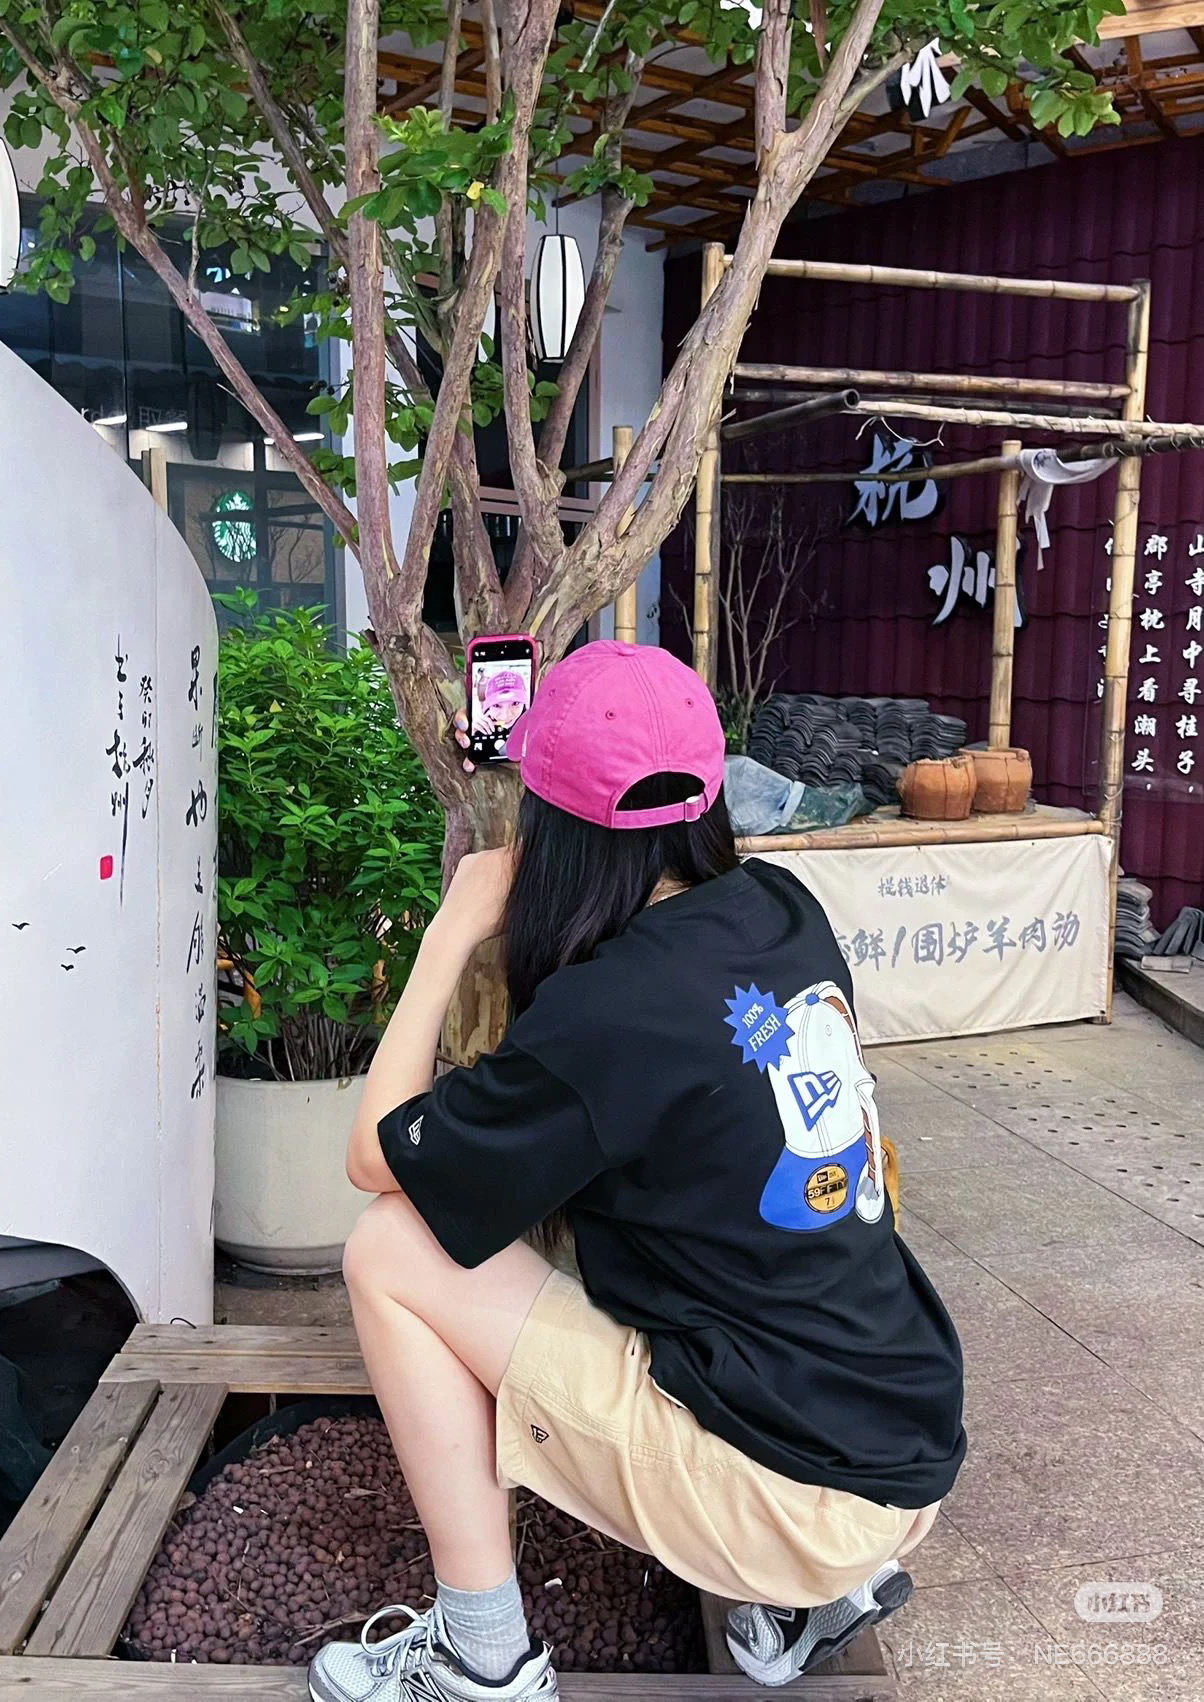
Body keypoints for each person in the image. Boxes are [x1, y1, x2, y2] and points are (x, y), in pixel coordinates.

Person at [309, 642, 965, 1702]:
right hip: (900, 1433)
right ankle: (819, 1594)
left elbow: (370, 1154)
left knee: (390, 1248)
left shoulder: (610, 1013)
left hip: (795, 1499)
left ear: (554, 832)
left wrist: (448, 933)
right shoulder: (779, 907)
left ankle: (480, 1658)